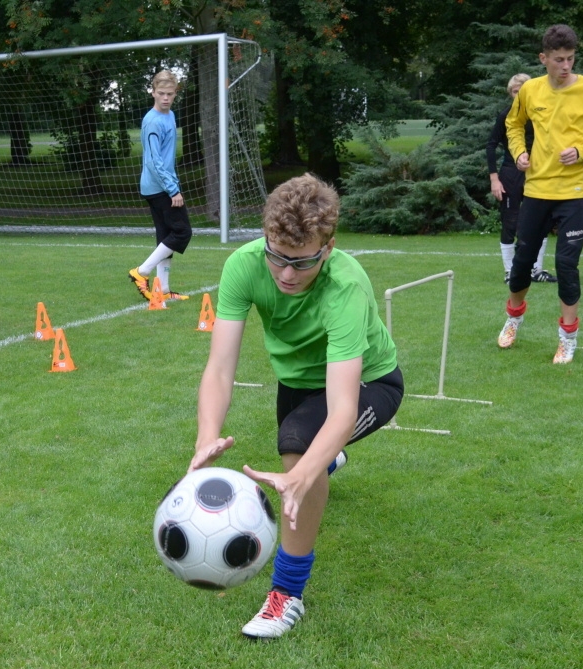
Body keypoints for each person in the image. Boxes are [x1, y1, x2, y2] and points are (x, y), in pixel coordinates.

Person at [189, 174, 403, 640]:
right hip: (297, 384)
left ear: (327, 247)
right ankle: (326, 459)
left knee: (299, 447)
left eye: (302, 262)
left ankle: (286, 595)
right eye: (277, 257)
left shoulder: (346, 285)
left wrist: (303, 474)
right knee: (307, 448)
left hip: (370, 383)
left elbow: (343, 407)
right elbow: (220, 368)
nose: (286, 274)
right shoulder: (243, 266)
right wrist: (207, 436)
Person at [497, 24, 583, 364]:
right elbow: (513, 124)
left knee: (566, 264)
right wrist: (520, 151)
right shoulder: (530, 90)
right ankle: (514, 317)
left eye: (570, 59)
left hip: (578, 190)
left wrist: (582, 150)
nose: (565, 67)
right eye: (559, 60)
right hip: (537, 187)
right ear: (543, 58)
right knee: (522, 263)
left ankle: (567, 337)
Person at [128, 69, 193, 302]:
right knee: (182, 232)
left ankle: (163, 290)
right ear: (153, 92)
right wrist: (173, 189)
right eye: (161, 93)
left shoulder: (170, 115)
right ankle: (141, 272)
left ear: (175, 94)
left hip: (160, 185)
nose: (166, 98)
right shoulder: (152, 121)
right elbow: (155, 161)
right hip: (159, 187)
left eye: (170, 94)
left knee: (166, 236)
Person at [487, 72, 555, 285]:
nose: (519, 95)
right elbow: (491, 145)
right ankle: (510, 272)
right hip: (511, 173)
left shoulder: (540, 115)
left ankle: (536, 270)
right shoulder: (506, 115)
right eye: (515, 92)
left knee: (541, 220)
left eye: (522, 91)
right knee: (511, 221)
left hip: (538, 173)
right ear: (511, 94)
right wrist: (494, 179)